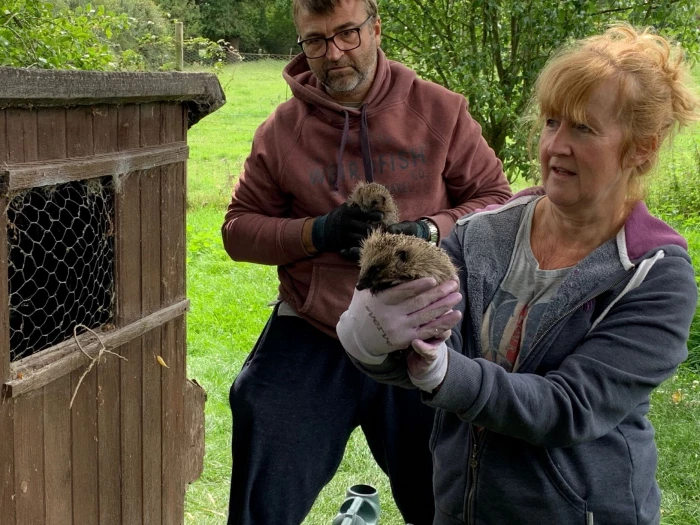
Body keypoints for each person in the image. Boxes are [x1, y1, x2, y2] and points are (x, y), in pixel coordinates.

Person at [337, 24, 699, 524]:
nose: (557, 146)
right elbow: (430, 357)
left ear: (642, 149)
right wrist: (372, 346)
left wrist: (444, 371)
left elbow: (569, 406)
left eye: (583, 129)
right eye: (552, 123)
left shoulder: (653, 274)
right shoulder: (482, 234)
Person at [220, 0, 512, 523]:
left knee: (444, 497)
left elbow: (495, 197)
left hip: (421, 327)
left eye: (347, 34)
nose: (333, 54)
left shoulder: (440, 110)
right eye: (315, 40)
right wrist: (317, 233)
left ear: (375, 28)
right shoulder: (282, 130)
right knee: (261, 415)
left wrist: (430, 230)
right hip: (315, 325)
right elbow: (238, 230)